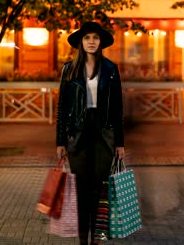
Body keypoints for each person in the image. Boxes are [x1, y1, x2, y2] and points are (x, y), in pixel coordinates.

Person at [56, 21, 125, 245]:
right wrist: (60, 141)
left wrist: (120, 142)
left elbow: (117, 108)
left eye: (95, 38)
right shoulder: (69, 69)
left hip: (104, 136)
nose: (92, 42)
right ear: (81, 42)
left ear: (101, 42)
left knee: (99, 191)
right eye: (87, 38)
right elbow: (62, 108)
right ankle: (83, 241)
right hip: (77, 136)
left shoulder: (110, 69)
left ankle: (97, 238)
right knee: (82, 191)